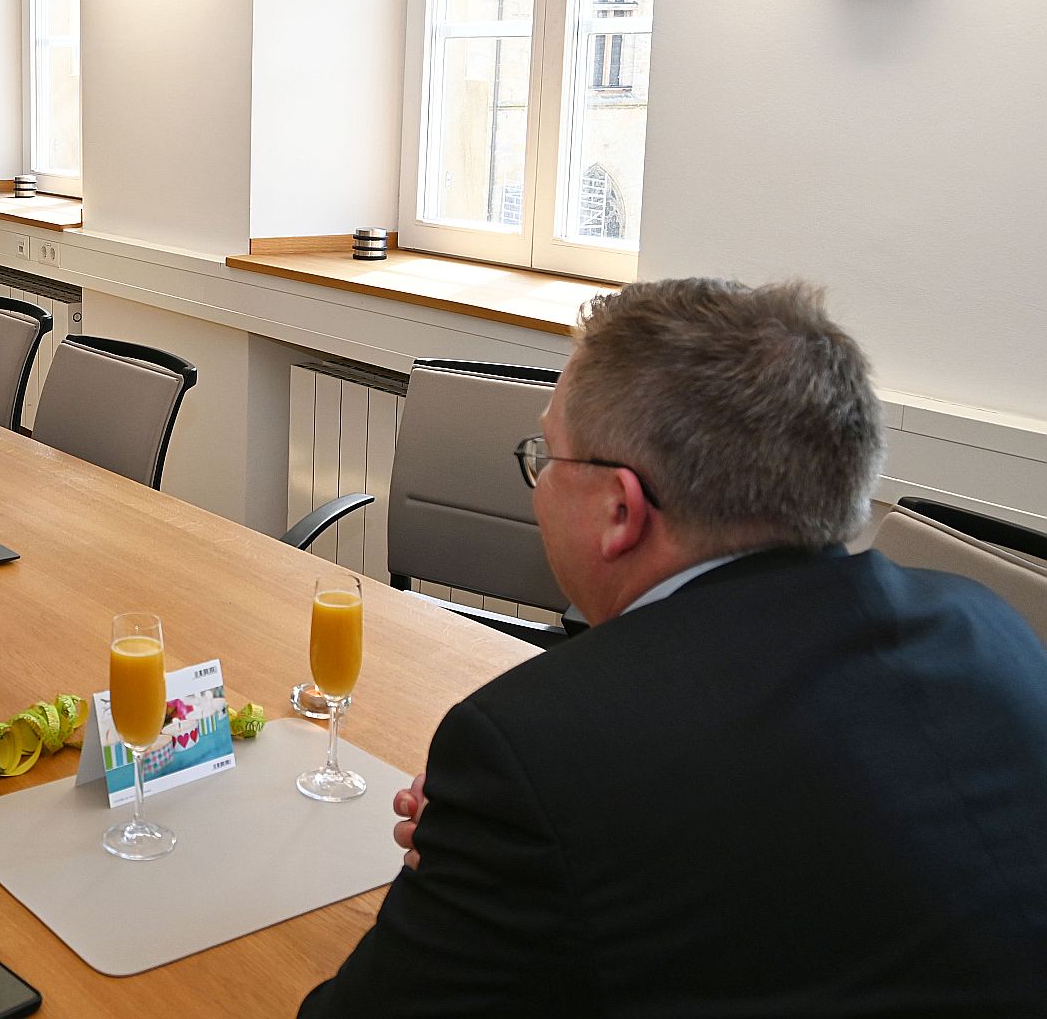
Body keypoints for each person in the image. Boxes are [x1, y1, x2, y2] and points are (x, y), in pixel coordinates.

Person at [300, 278, 1047, 1018]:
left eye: (545, 455)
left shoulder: (539, 748)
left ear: (620, 509)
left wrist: (475, 858)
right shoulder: (989, 628)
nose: (537, 480)